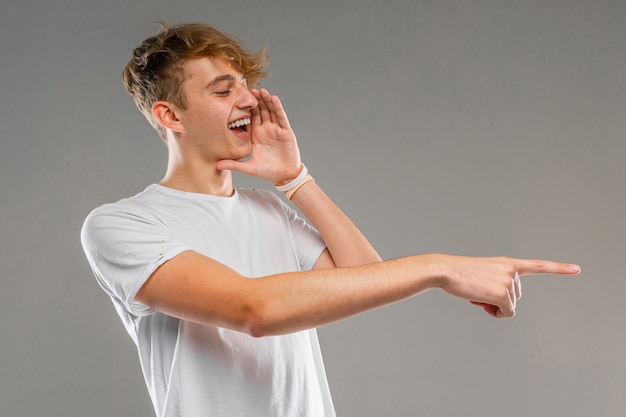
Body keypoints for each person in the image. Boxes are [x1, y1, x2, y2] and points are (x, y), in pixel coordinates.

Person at [80, 22, 580, 417]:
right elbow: (254, 310)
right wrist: (441, 266)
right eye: (223, 90)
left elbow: (366, 278)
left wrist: (295, 179)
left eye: (248, 87)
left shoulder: (268, 208)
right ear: (171, 116)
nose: (249, 100)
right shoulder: (122, 225)